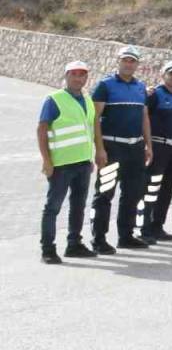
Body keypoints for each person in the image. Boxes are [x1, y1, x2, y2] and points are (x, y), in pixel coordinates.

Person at [90, 46, 153, 253]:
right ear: (118, 61)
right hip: (112, 147)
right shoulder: (105, 85)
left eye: (132, 61)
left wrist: (148, 145)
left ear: (137, 65)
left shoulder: (140, 87)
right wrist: (99, 149)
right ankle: (98, 239)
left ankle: (125, 236)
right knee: (105, 194)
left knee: (132, 194)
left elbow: (144, 117)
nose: (129, 64)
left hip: (135, 148)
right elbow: (95, 119)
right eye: (125, 60)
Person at [37, 61, 99, 264]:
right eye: (74, 74)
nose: (78, 78)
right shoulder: (54, 99)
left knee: (78, 206)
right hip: (61, 165)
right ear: (66, 76)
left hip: (82, 163)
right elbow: (42, 129)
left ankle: (74, 244)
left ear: (86, 78)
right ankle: (48, 249)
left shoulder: (88, 100)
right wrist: (47, 160)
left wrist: (90, 157)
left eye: (82, 75)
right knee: (53, 207)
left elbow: (88, 130)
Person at [140, 61, 172, 244]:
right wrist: (146, 144)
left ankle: (157, 225)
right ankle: (144, 228)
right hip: (158, 146)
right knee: (151, 189)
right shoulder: (154, 95)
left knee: (167, 189)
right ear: (163, 75)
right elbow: (143, 119)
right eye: (171, 73)